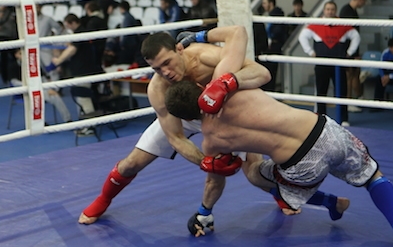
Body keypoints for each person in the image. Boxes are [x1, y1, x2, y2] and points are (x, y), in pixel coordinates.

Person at [78, 28, 349, 230]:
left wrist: (226, 83)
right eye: (157, 69)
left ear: (179, 50)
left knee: (255, 175)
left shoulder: (207, 57)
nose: (165, 72)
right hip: (183, 115)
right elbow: (176, 137)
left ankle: (323, 201)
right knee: (131, 163)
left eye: (167, 63)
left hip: (223, 113)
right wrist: (205, 161)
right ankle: (103, 200)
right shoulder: (158, 90)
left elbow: (258, 72)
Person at [163, 75, 393, 247]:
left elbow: (215, 179)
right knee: (373, 175)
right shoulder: (238, 90)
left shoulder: (211, 143)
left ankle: (332, 202)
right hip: (324, 131)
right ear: (201, 87)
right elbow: (254, 61)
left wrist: (204, 211)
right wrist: (218, 63)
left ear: (187, 118)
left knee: (256, 174)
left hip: (301, 167)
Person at [298, 1, 359, 125]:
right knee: (321, 92)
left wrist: (349, 52)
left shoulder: (343, 24)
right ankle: (321, 119)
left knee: (341, 91)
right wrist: (310, 52)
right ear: (324, 10)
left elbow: (356, 36)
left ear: (335, 11)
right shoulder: (316, 24)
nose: (330, 11)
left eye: (332, 9)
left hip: (338, 64)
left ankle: (343, 118)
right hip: (322, 64)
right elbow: (302, 36)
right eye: (328, 9)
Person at [339, 0, 369, 113]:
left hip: (352, 49)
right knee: (349, 76)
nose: (364, 4)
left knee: (355, 74)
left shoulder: (352, 11)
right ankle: (348, 102)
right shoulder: (346, 11)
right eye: (364, 1)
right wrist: (350, 53)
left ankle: (357, 98)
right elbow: (345, 34)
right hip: (347, 50)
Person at [260, 0, 289, 92]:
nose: (263, 5)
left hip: (275, 46)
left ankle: (270, 92)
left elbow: (278, 31)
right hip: (272, 46)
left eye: (265, 3)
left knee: (271, 71)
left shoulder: (276, 15)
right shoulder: (272, 15)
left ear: (271, 3)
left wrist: (270, 38)